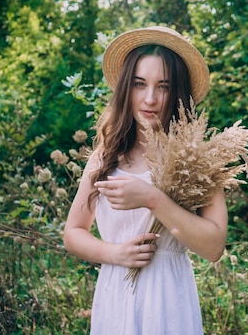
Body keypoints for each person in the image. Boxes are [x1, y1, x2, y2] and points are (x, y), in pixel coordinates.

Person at [63, 26, 228, 335]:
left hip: (168, 300)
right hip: (114, 296)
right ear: (127, 87)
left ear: (178, 92)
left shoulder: (194, 159)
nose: (150, 98)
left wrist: (153, 199)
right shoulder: (105, 157)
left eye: (163, 87)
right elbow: (73, 232)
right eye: (140, 84)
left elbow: (214, 246)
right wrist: (115, 254)